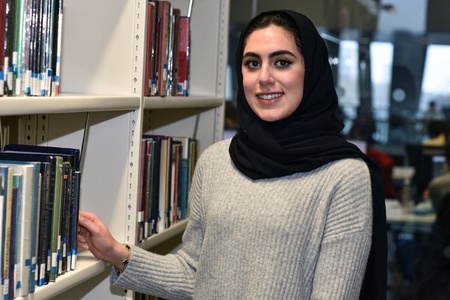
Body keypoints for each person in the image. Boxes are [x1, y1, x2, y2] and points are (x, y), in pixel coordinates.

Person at [78, 10, 387, 299]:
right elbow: (195, 273)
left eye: (282, 62)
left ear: (311, 70)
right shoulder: (215, 161)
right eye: (252, 63)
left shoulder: (345, 176)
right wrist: (117, 253)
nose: (264, 77)